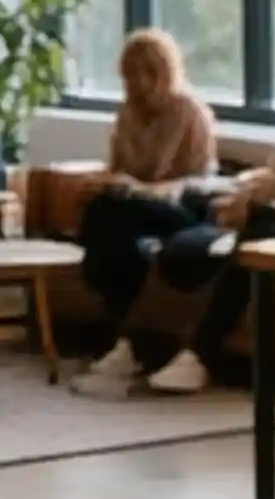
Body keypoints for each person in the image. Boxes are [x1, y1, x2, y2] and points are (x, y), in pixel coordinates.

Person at [119, 18, 275, 397]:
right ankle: (138, 342)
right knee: (179, 225)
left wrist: (252, 197)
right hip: (264, 201)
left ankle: (189, 352)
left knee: (238, 240)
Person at [67, 33, 224, 392]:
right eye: (130, 74)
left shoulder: (187, 111)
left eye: (145, 73)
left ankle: (127, 341)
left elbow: (187, 177)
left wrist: (134, 187)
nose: (137, 83)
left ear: (164, 72)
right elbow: (118, 168)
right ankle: (129, 341)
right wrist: (107, 182)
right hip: (134, 206)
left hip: (182, 207)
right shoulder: (127, 114)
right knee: (105, 211)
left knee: (108, 216)